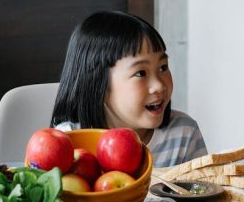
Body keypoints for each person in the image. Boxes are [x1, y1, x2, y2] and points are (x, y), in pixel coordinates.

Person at [51, 10, 207, 168]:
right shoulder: (68, 143)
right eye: (141, 73)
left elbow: (204, 190)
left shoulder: (184, 133)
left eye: (163, 67)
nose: (159, 85)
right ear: (98, 84)